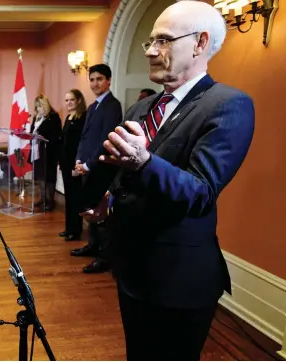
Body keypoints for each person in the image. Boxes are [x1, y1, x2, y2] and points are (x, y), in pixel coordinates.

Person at [83, 1, 255, 359]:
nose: (150, 51)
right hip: (132, 270)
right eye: (149, 41)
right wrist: (109, 199)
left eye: (162, 40)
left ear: (199, 42)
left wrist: (143, 161)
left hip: (179, 279)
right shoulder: (141, 109)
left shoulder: (228, 105)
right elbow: (125, 174)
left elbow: (200, 192)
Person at [71, 64, 123, 273]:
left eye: (99, 79)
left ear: (109, 80)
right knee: (90, 209)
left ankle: (104, 257)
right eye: (92, 80)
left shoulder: (113, 105)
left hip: (101, 167)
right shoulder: (93, 107)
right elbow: (85, 138)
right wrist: (79, 160)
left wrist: (88, 163)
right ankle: (92, 246)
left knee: (101, 214)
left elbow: (105, 139)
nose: (95, 84)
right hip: (87, 166)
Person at [58, 89, 87, 241]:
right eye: (66, 100)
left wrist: (77, 165)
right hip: (65, 163)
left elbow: (81, 144)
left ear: (79, 101)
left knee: (76, 198)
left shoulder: (83, 118)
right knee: (69, 198)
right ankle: (69, 227)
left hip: (75, 164)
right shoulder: (68, 117)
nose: (68, 103)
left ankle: (76, 231)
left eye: (71, 100)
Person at [29, 95, 62, 211]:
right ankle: (43, 199)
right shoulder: (37, 118)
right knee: (41, 176)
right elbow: (32, 131)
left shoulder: (53, 117)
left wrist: (43, 137)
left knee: (49, 177)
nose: (39, 109)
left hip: (49, 152)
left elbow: (57, 136)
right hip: (38, 151)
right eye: (37, 107)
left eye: (41, 106)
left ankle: (50, 201)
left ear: (46, 105)